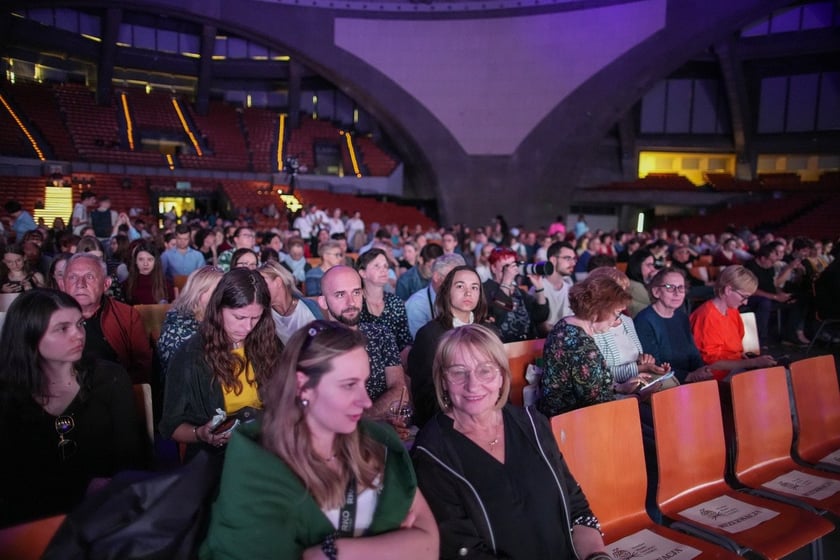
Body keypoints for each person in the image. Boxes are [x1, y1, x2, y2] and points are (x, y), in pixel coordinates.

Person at [200, 320, 439, 559]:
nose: (366, 401)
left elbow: (428, 544)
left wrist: (334, 553)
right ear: (303, 386)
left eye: (364, 383)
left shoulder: (376, 441)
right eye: (348, 385)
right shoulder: (257, 464)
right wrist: (391, 546)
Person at [411, 324, 608, 560]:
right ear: (442, 381)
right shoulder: (432, 454)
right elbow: (462, 551)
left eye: (485, 370)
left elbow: (577, 509)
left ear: (502, 376)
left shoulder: (533, 424)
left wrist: (598, 557)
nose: (473, 385)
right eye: (458, 372)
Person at [0, 289, 146, 527]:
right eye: (62, 328)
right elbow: (11, 480)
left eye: (79, 324)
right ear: (29, 336)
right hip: (31, 519)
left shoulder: (110, 378)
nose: (78, 335)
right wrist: (78, 487)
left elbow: (130, 458)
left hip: (104, 513)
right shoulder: (7, 393)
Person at [159, 268, 282, 460]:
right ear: (218, 309)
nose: (248, 327)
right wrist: (200, 433)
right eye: (239, 317)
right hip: (218, 456)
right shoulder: (191, 355)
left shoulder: (269, 343)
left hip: (269, 444)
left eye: (256, 318)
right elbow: (171, 426)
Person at [538, 274, 649, 417]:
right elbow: (599, 406)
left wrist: (620, 387)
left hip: (570, 416)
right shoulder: (582, 347)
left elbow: (591, 384)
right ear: (598, 312)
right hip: (575, 422)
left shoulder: (565, 323)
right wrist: (640, 396)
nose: (617, 319)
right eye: (615, 313)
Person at [319, 266, 409, 426]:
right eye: (340, 294)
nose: (351, 302)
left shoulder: (380, 334)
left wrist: (365, 421)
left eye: (356, 292)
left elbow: (399, 390)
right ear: (323, 302)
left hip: (382, 430)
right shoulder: (314, 344)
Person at [408, 266, 494, 428]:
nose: (468, 293)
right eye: (460, 286)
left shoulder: (489, 332)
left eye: (474, 287)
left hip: (488, 414)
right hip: (446, 421)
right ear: (447, 291)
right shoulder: (430, 335)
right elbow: (424, 397)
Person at [62, 253, 152, 384]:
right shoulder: (48, 318)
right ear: (63, 284)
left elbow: (143, 366)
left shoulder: (127, 316)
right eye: (73, 277)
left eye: (89, 276)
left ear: (106, 284)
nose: (80, 284)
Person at [689, 265, 777, 381]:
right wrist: (752, 362)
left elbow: (734, 349)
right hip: (718, 377)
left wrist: (747, 359)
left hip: (733, 369)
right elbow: (712, 365)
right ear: (728, 290)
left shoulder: (732, 310)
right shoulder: (707, 316)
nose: (745, 303)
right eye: (744, 297)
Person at [587, 267, 671, 384]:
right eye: (619, 292)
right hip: (614, 390)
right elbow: (598, 374)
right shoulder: (590, 326)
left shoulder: (626, 320)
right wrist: (641, 368)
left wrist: (643, 359)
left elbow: (635, 357)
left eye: (625, 291)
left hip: (637, 381)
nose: (625, 297)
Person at [634, 267, 713, 384]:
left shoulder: (681, 317)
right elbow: (654, 365)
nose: (677, 293)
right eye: (670, 287)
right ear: (656, 292)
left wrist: (701, 371)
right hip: (665, 383)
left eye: (681, 288)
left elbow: (693, 352)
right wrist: (689, 376)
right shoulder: (644, 320)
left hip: (690, 380)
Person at [157, 265, 224, 375]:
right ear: (198, 293)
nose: (223, 296)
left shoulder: (223, 320)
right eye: (217, 291)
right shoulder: (176, 331)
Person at [483, 247, 549, 342]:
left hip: (526, 346)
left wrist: (539, 288)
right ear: (493, 268)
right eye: (506, 266)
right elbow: (496, 313)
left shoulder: (519, 293)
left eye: (513, 265)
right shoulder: (485, 289)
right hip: (501, 347)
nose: (510, 270)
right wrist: (506, 281)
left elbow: (541, 316)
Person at [258, 260, 323, 344]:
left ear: (278, 282)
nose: (258, 289)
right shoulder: (264, 315)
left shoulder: (308, 309)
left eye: (262, 283)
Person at [406, 253, 466, 338]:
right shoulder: (417, 305)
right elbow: (420, 342)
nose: (458, 284)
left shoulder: (463, 299)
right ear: (437, 277)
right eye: (452, 278)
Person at [540, 241, 577, 332]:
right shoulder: (539, 288)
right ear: (553, 260)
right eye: (568, 258)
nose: (573, 263)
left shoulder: (570, 289)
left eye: (574, 259)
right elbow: (541, 327)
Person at [122, 241, 174, 305]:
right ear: (135, 261)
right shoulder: (126, 285)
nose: (145, 264)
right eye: (141, 259)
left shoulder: (166, 285)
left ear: (155, 261)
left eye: (150, 259)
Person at [625, 248, 657, 317]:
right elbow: (656, 303)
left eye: (653, 265)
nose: (653, 269)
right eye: (649, 265)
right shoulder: (635, 286)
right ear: (637, 266)